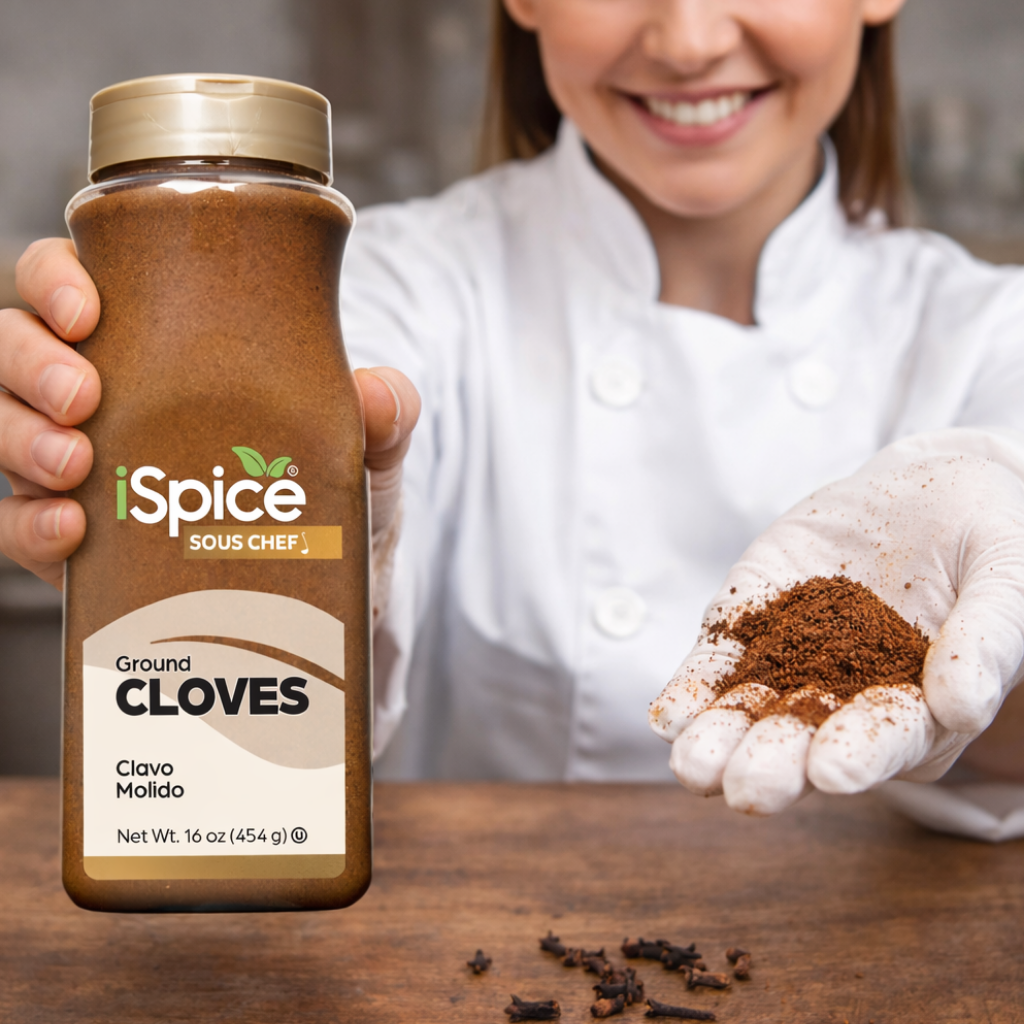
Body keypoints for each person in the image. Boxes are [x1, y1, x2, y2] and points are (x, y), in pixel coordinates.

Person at [2, 1, 1022, 822]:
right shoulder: (374, 279)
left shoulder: (988, 334)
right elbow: (321, 424)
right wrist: (201, 491)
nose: (688, 38)